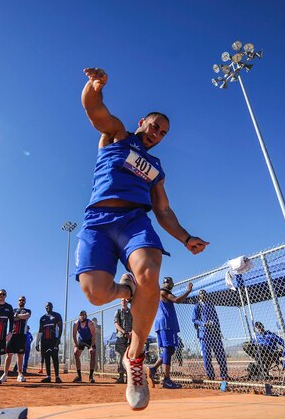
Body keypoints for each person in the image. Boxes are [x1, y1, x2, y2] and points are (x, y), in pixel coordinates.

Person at [76, 67, 209, 410]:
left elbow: (163, 210)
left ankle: (135, 358)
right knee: (95, 294)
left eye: (163, 133)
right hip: (99, 222)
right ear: (142, 122)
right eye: (154, 127)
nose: (157, 134)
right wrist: (95, 87)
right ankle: (127, 290)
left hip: (135, 222)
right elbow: (95, 111)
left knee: (150, 273)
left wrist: (185, 237)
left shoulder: (156, 168)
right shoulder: (117, 136)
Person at [148, 277, 192, 389]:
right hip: (166, 323)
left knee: (170, 349)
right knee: (168, 348)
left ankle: (153, 368)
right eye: (171, 283)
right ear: (168, 284)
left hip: (163, 323)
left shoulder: (160, 293)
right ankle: (166, 379)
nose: (171, 285)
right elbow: (177, 300)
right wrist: (188, 291)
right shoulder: (163, 292)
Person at [192, 289, 228, 381]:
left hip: (215, 333)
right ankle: (210, 375)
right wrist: (203, 323)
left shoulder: (211, 305)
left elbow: (216, 317)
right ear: (199, 296)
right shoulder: (197, 306)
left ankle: (224, 375)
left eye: (204, 293)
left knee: (220, 354)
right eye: (201, 294)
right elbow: (194, 319)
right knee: (207, 356)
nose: (203, 295)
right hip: (204, 334)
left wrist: (217, 328)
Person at [1, 295, 31, 383]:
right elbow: (11, 318)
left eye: (23, 300)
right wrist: (18, 316)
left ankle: (20, 374)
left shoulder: (27, 310)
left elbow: (26, 316)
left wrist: (17, 316)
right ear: (18, 301)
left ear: (25, 302)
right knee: (9, 354)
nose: (21, 301)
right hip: (12, 334)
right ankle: (5, 374)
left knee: (20, 355)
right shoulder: (12, 310)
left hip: (22, 335)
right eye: (20, 300)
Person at [36, 302, 63, 383]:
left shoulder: (57, 316)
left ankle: (57, 377)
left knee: (55, 358)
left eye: (49, 306)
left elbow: (61, 327)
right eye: (46, 306)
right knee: (46, 358)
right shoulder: (42, 318)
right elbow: (40, 331)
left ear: (52, 307)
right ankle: (48, 376)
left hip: (53, 340)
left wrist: (58, 338)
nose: (48, 307)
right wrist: (37, 342)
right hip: (44, 341)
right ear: (45, 308)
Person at [72, 310, 96, 383]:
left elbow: (94, 335)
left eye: (84, 315)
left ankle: (91, 376)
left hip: (90, 340)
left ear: (86, 316)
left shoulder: (90, 323)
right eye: (81, 315)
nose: (82, 316)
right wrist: (76, 345)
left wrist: (91, 346)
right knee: (75, 352)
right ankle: (79, 376)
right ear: (79, 316)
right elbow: (74, 335)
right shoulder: (76, 323)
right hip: (81, 340)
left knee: (92, 352)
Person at [114, 298, 133, 384]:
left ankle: (129, 377)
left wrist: (131, 333)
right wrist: (124, 332)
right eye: (122, 300)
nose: (124, 301)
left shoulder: (131, 312)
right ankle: (121, 376)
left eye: (125, 300)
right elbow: (116, 324)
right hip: (121, 337)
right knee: (120, 357)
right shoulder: (118, 312)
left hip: (130, 337)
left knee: (129, 357)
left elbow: (135, 323)